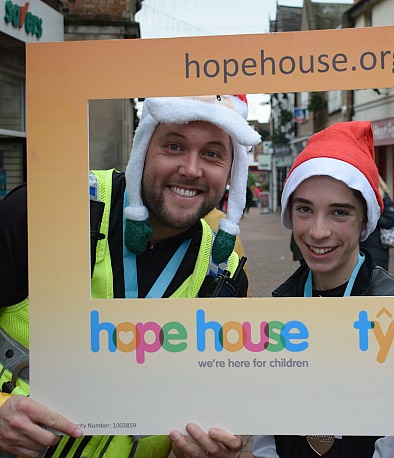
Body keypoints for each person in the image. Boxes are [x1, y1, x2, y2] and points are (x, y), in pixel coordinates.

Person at [0, 94, 261, 458]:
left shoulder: (226, 274)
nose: (191, 169)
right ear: (143, 146)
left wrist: (209, 446)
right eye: (173, 145)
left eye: (213, 154)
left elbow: (208, 405)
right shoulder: (45, 209)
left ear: (232, 170)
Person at [251, 121, 394, 458]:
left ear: (365, 221)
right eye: (305, 209)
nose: (318, 232)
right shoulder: (280, 308)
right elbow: (267, 437)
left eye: (339, 212)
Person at [360, 175, 394, 271]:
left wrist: (372, 216)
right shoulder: (364, 196)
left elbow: (390, 221)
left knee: (376, 275)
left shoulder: (384, 197)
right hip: (365, 245)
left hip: (378, 245)